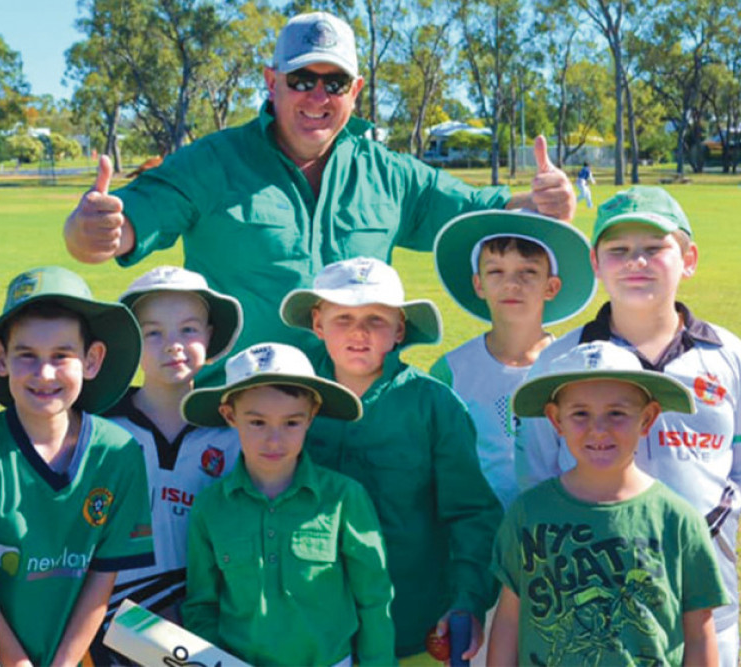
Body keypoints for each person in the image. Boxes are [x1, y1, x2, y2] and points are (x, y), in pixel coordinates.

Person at [63, 11, 576, 378]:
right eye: (302, 78)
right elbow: (112, 230)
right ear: (271, 82)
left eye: (334, 84)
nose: (317, 96)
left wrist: (547, 206)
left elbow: (486, 216)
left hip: (357, 418)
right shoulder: (211, 163)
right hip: (243, 413)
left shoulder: (391, 174)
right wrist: (90, 230)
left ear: (355, 92)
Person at [515, 187, 741, 667]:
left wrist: (721, 520)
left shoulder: (729, 356)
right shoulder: (559, 362)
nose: (636, 261)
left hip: (709, 602)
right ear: (596, 265)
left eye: (654, 248)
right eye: (618, 251)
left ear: (689, 258)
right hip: (596, 610)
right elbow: (536, 473)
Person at [279, 256, 503, 661]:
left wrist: (468, 600)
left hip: (413, 622)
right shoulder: (286, 398)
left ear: (400, 328)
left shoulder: (435, 405)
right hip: (306, 628)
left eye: (376, 320)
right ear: (317, 322)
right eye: (343, 317)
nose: (359, 332)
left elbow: (471, 513)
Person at [0, 266, 155, 666]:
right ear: (0, 358)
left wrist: (64, 662)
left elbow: (101, 577)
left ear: (92, 360)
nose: (44, 374)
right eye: (27, 356)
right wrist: (17, 662)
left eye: (62, 355)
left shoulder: (120, 453)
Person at [490, 341, 728, 666]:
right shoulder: (528, 513)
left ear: (647, 419)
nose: (598, 429)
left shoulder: (678, 520)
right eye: (580, 414)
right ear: (555, 420)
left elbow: (700, 633)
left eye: (617, 413)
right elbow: (509, 619)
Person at [180, 342, 395, 666]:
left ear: (311, 416)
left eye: (291, 423)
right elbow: (202, 605)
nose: (274, 440)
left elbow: (374, 598)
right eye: (257, 423)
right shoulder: (211, 507)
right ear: (229, 415)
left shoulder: (344, 498)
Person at [88, 265, 244, 663]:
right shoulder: (100, 429)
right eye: (153, 332)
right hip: (117, 619)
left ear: (210, 336)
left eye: (189, 330)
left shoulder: (235, 431)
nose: (173, 344)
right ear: (130, 343)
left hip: (211, 614)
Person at [430, 209, 596, 510]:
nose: (512, 284)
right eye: (495, 272)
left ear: (551, 287)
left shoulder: (572, 367)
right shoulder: (451, 369)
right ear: (478, 284)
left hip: (557, 531)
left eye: (528, 272)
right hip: (478, 536)